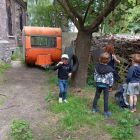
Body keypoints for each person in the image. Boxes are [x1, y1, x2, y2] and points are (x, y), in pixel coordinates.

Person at [92, 52, 114, 117]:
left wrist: (96, 81)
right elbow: (111, 79)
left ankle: (94, 108)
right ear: (108, 60)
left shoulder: (97, 66)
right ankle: (106, 112)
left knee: (96, 96)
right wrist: (110, 86)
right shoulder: (109, 69)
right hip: (106, 85)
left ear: (100, 59)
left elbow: (95, 75)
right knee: (106, 98)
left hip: (98, 84)